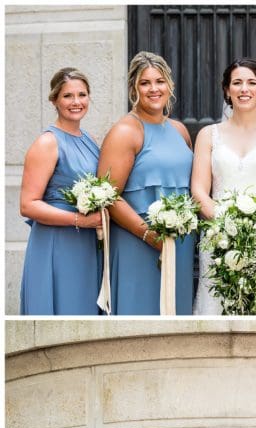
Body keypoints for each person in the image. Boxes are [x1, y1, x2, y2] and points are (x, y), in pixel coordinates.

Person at [191, 59, 256, 314]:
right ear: (227, 90)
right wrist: (228, 226)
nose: (244, 89)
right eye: (237, 83)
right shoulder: (208, 134)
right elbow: (198, 190)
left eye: (251, 82)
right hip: (219, 239)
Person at [97, 51, 194, 314]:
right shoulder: (125, 131)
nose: (154, 89)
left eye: (160, 81)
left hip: (179, 245)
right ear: (133, 88)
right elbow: (108, 196)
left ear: (170, 86)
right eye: (145, 82)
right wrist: (151, 237)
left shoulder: (179, 130)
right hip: (137, 242)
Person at [19, 67, 102, 314]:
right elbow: (28, 204)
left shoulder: (88, 139)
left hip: (84, 242)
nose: (76, 102)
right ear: (54, 99)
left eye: (82, 95)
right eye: (68, 96)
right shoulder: (47, 142)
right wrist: (79, 220)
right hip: (57, 242)